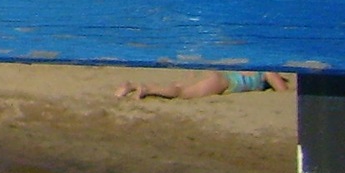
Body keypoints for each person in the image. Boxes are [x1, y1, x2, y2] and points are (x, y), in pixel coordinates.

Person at [114, 69, 292, 99]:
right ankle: (146, 89)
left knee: (178, 86)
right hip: (225, 82)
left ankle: (132, 86)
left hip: (220, 76)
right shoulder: (268, 71)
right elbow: (282, 92)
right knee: (182, 93)